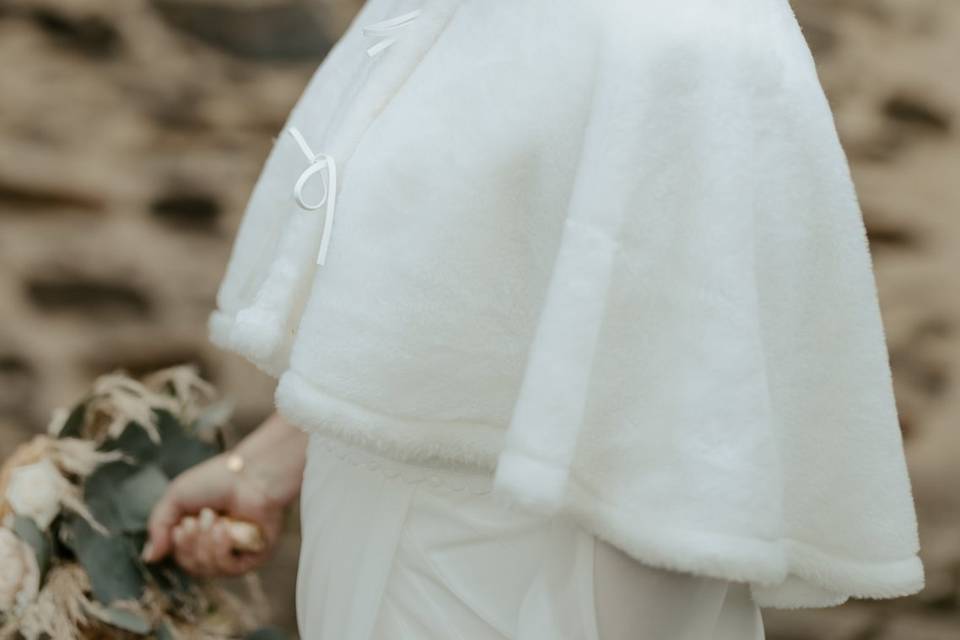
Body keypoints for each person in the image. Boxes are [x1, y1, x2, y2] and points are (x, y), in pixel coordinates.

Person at [145, 0, 925, 638]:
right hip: (377, 568)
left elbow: (676, 451)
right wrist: (267, 464)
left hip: (521, 588)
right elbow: (447, 301)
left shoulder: (679, 38)